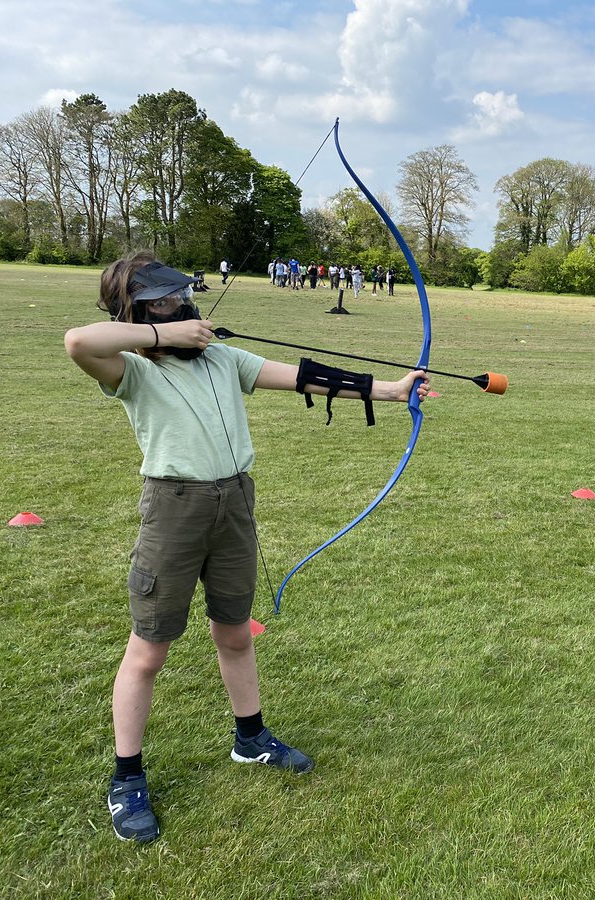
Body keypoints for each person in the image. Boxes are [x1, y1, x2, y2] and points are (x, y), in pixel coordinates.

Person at [64, 251, 429, 844]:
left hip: (235, 504)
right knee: (149, 650)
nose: (179, 307)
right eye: (159, 303)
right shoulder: (130, 369)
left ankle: (250, 737)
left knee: (234, 630)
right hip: (174, 509)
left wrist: (388, 389)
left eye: (178, 298)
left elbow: (302, 376)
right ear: (133, 311)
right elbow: (79, 340)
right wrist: (162, 335)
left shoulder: (222, 358)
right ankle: (126, 777)